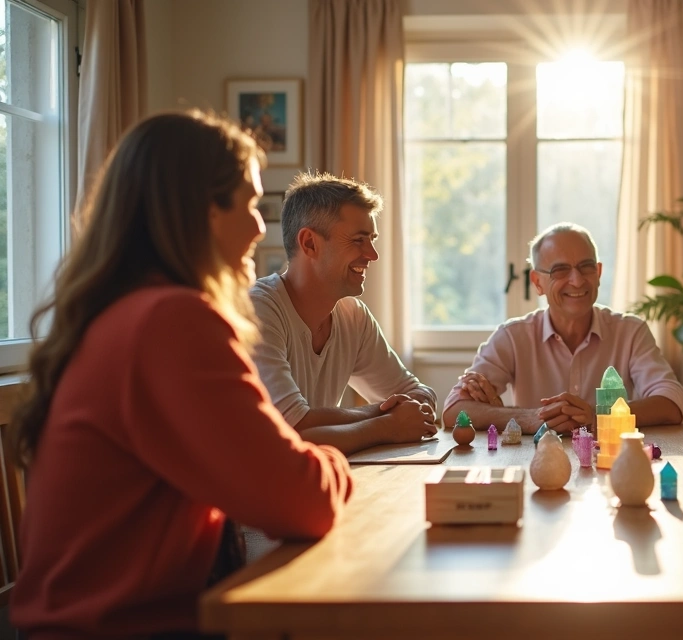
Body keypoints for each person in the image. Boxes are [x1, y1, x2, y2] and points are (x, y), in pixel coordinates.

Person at [9, 111, 353, 638]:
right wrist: (333, 463)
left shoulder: (116, 314)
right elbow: (301, 499)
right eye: (250, 205)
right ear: (203, 213)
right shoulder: (173, 322)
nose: (262, 228)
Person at [250, 172, 438, 455]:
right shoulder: (258, 310)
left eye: (372, 239)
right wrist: (387, 425)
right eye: (358, 240)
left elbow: (417, 395)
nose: (372, 254)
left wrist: (409, 410)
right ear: (310, 244)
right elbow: (291, 429)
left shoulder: (353, 315)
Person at [443, 223, 683, 434]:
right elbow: (454, 410)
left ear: (599, 273)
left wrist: (596, 416)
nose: (577, 280)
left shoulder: (631, 332)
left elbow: (672, 402)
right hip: (535, 465)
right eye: (560, 270)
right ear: (537, 283)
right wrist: (532, 419)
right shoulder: (513, 336)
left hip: (610, 466)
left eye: (586, 267)